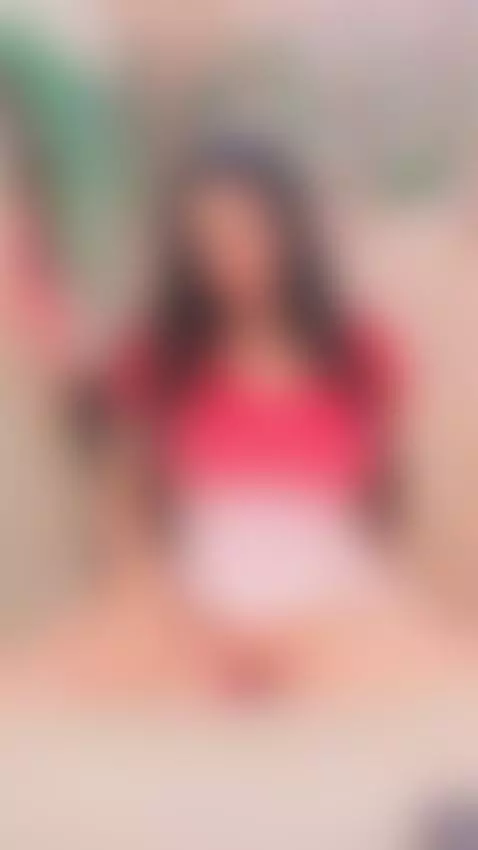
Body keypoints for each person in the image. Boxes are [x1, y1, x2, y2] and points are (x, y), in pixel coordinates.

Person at [0, 135, 468, 707]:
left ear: (291, 233)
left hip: (333, 594)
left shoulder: (360, 350)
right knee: (45, 681)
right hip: (196, 597)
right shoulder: (162, 354)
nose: (231, 255)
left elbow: (392, 498)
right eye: (209, 238)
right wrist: (155, 600)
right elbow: (118, 487)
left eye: (249, 231)